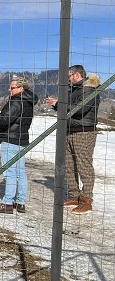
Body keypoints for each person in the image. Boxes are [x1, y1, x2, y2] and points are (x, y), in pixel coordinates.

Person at [45, 65, 101, 215]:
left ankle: (87, 199)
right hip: (69, 130)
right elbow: (69, 109)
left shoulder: (88, 89)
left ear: (77, 75)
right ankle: (75, 195)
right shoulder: (74, 90)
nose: (67, 78)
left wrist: (59, 104)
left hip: (83, 132)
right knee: (69, 164)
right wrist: (56, 105)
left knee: (83, 165)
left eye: (69, 75)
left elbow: (80, 109)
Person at [0, 77, 38, 214]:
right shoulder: (28, 101)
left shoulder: (16, 101)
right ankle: (20, 202)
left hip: (11, 140)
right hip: (21, 141)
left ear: (21, 89)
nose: (9, 89)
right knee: (20, 172)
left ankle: (7, 203)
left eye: (12, 87)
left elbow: (3, 120)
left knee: (10, 173)